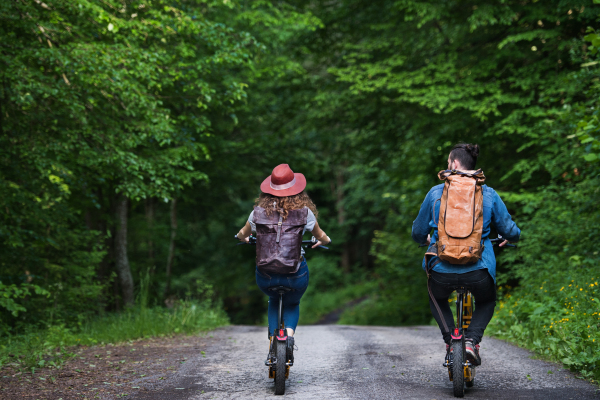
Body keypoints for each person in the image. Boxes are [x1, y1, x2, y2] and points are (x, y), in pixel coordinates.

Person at [411, 143, 521, 365]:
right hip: (478, 270)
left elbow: (417, 232)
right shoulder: (488, 193)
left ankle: (452, 341)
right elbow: (510, 230)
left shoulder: (436, 192)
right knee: (487, 300)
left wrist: (425, 239)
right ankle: (470, 341)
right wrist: (511, 237)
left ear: (454, 163)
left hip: (441, 269)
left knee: (436, 296)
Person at [236, 164, 331, 362]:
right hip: (295, 273)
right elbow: (322, 236)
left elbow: (242, 234)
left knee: (273, 298)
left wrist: (243, 238)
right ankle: (287, 336)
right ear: (297, 190)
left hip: (266, 274)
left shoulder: (258, 213)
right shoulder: (305, 213)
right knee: (292, 302)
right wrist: (323, 241)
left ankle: (273, 341)